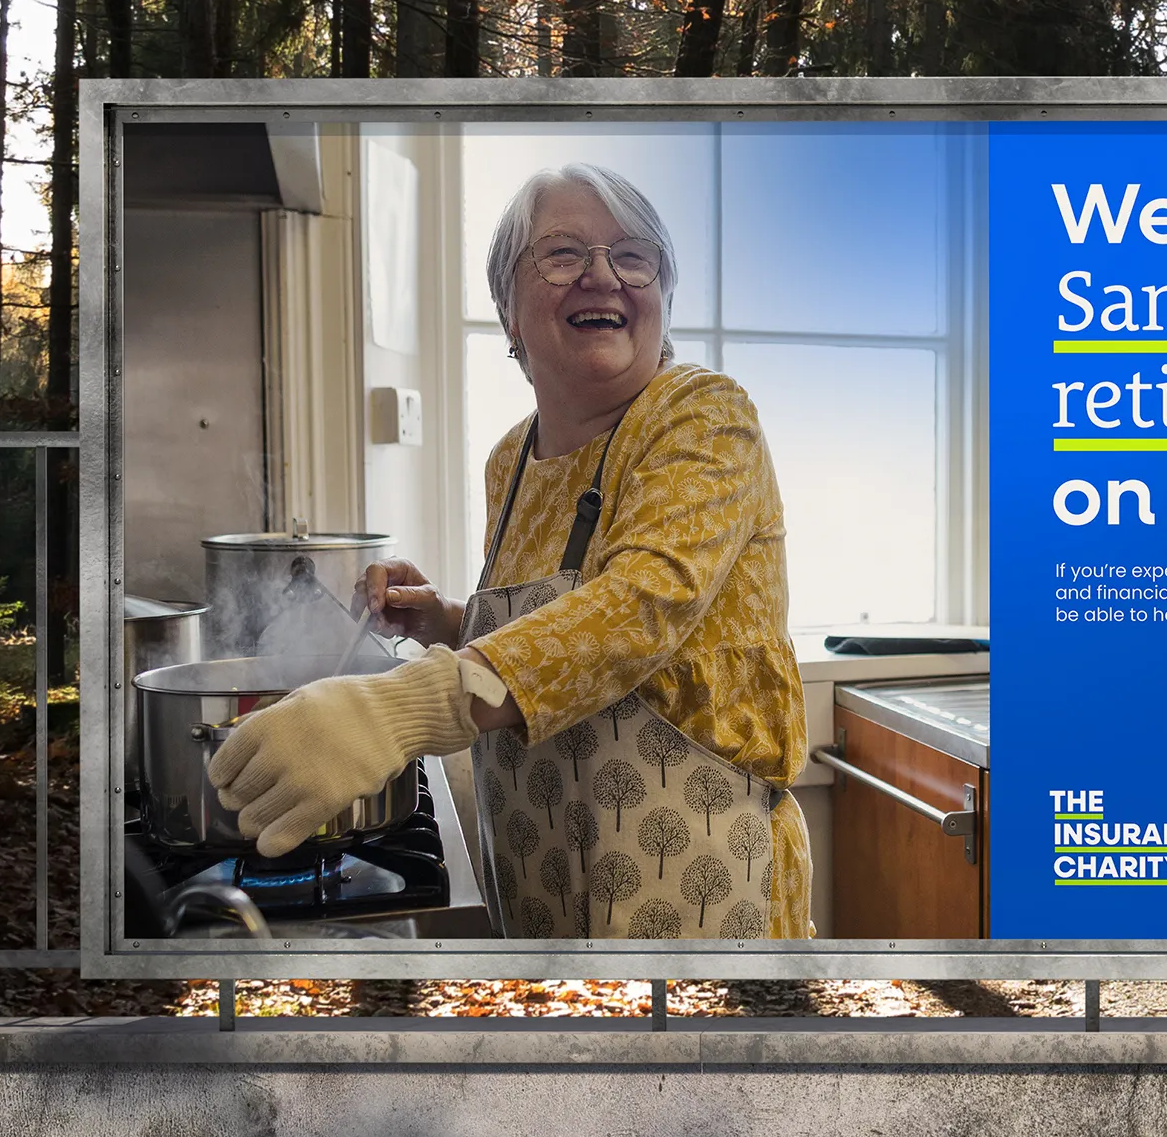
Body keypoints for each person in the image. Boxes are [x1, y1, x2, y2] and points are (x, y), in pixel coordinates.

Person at [208, 162, 811, 940]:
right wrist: (448, 623)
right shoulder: (512, 458)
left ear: (663, 296)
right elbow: (559, 639)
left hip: (702, 893)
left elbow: (642, 608)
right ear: (508, 312)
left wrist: (400, 706)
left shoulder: (702, 415)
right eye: (563, 254)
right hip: (540, 890)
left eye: (634, 257)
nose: (604, 275)